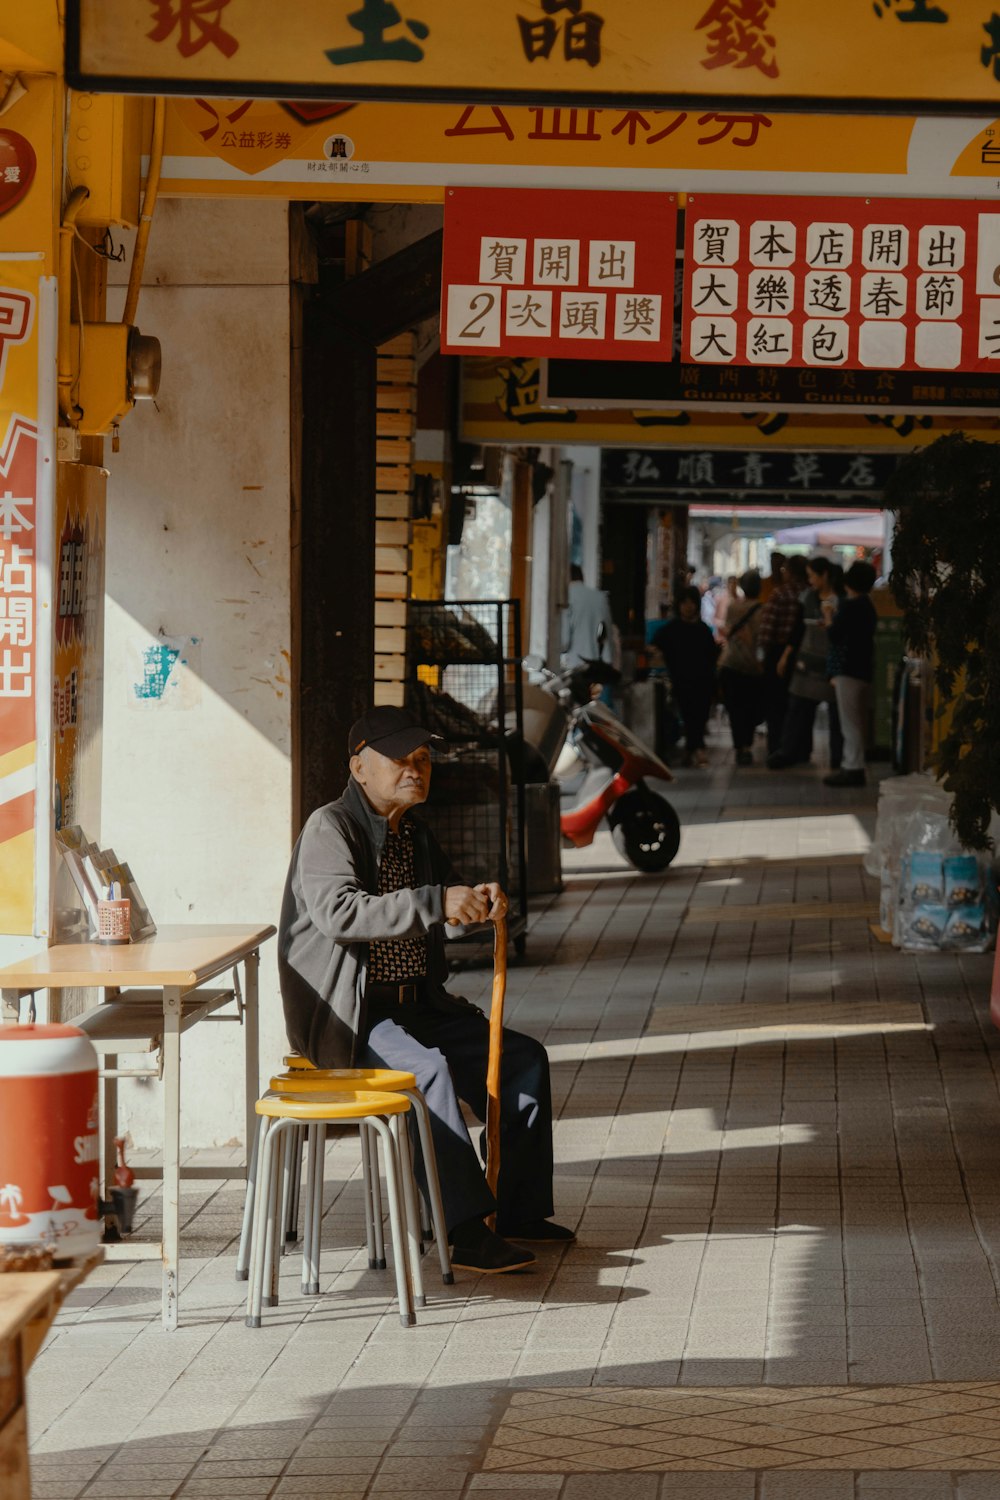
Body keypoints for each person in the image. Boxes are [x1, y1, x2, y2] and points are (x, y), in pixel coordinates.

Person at [278, 706, 574, 1274]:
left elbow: (443, 907)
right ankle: (461, 1229)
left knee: (522, 1060)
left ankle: (517, 1210)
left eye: (422, 758)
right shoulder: (329, 827)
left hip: (421, 1005)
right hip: (355, 1016)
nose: (416, 769)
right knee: (427, 1073)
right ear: (359, 767)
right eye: (400, 759)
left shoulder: (412, 832)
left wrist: (479, 904)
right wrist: (436, 902)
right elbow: (340, 912)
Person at [767, 555, 844, 771]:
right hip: (806, 660)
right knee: (797, 707)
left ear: (824, 575)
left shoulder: (841, 599)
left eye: (812, 576)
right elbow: (797, 630)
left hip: (832, 662)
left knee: (835, 713)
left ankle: (838, 757)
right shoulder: (807, 597)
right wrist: (786, 656)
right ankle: (790, 751)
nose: (809, 580)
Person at [652, 585, 719, 767]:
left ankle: (692, 750)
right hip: (681, 681)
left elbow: (713, 655)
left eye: (692, 603)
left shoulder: (703, 630)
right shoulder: (671, 629)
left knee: (699, 715)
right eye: (685, 603)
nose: (688, 607)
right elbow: (654, 646)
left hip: (703, 681)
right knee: (690, 715)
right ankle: (698, 749)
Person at [824, 560, 878, 787]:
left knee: (850, 722)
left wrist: (828, 616)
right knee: (857, 720)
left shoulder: (850, 606)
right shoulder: (868, 606)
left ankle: (853, 768)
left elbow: (835, 635)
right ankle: (853, 765)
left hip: (848, 670)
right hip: (864, 668)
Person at [756, 553, 805, 758]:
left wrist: (762, 656)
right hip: (803, 654)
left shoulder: (780, 594)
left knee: (776, 703)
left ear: (790, 572)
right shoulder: (809, 594)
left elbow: (767, 630)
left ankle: (776, 747)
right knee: (798, 704)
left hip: (777, 653)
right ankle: (798, 748)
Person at [717, 569, 764, 766]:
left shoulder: (733, 607)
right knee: (750, 707)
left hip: (731, 663)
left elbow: (727, 631)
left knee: (735, 708)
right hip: (753, 666)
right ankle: (746, 744)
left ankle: (739, 747)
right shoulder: (763, 610)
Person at [561, 564, 614, 669]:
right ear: (581, 577)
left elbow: (564, 641)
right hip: (598, 663)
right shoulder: (600, 598)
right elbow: (607, 632)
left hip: (574, 664)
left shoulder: (567, 598)